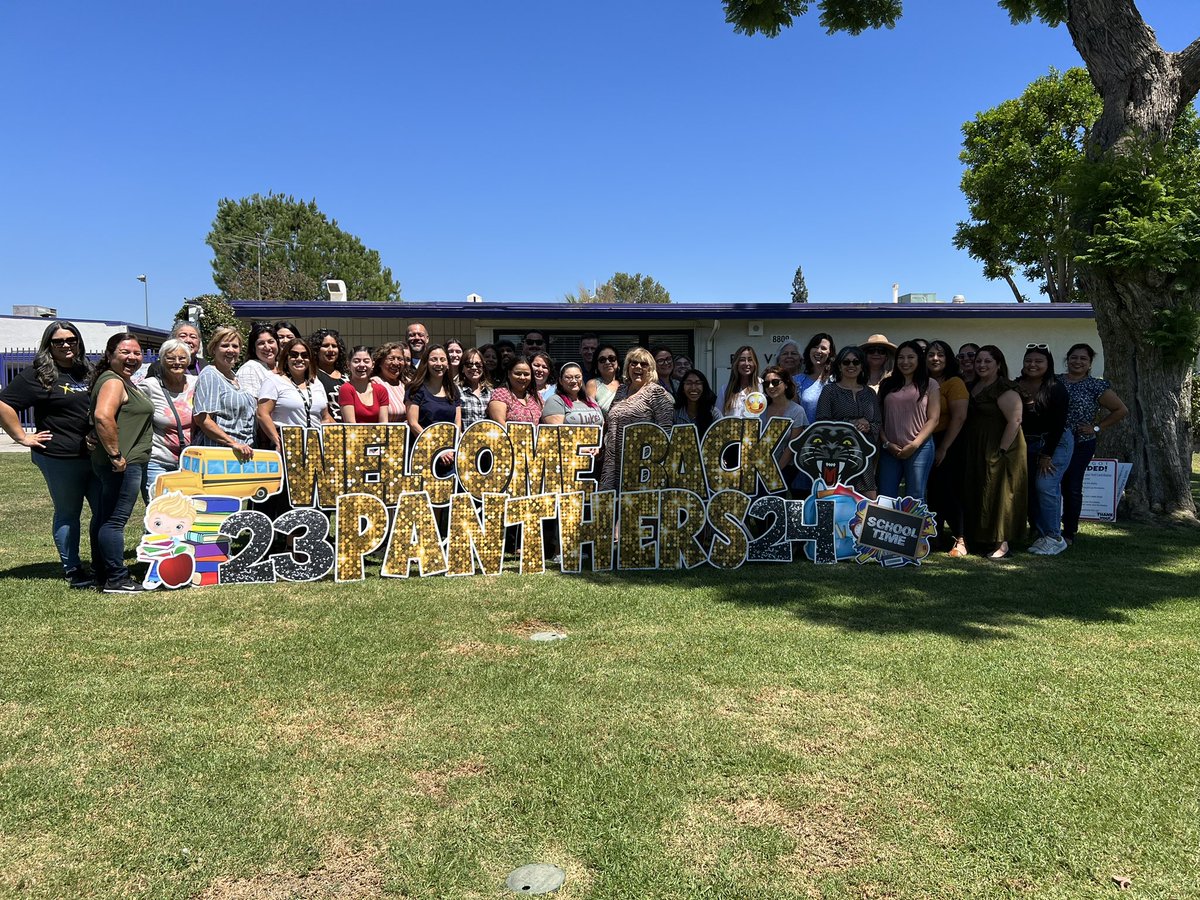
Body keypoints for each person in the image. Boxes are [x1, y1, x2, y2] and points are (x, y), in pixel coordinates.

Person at [0, 320, 99, 588]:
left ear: (79, 342)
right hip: (59, 457)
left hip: (94, 455)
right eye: (59, 342)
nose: (66, 345)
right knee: (69, 513)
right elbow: (4, 404)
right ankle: (74, 569)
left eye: (71, 340)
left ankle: (102, 563)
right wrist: (22, 437)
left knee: (103, 511)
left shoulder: (88, 371)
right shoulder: (38, 374)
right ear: (49, 345)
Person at [89, 333, 154, 593]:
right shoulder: (114, 382)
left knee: (104, 518)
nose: (132, 358)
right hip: (122, 464)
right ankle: (117, 578)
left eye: (137, 353)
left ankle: (101, 572)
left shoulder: (118, 381)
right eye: (125, 352)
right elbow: (103, 416)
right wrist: (116, 455)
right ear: (110, 354)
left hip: (116, 461)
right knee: (114, 521)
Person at [1058, 343, 1128, 546]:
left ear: (1089, 363)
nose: (1077, 361)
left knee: (1072, 486)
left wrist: (1096, 428)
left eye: (1083, 359)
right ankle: (1046, 528)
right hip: (1055, 442)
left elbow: (1121, 410)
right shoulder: (1055, 381)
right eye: (1074, 357)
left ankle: (1069, 531)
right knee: (1050, 486)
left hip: (1081, 443)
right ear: (1067, 359)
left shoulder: (1096, 386)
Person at [962, 345, 1027, 559]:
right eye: (978, 361)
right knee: (982, 491)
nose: (981, 365)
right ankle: (983, 539)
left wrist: (1001, 450)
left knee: (1001, 494)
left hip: (1003, 447)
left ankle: (1002, 544)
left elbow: (1015, 420)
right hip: (978, 446)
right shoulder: (975, 385)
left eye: (987, 361)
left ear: (998, 364)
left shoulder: (1005, 388)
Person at [1017, 344, 1072, 555]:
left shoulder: (1056, 388)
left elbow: (1058, 425)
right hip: (1027, 443)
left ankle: (1054, 536)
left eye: (1039, 361)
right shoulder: (1016, 385)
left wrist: (1047, 454)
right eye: (1029, 360)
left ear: (1048, 364)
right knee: (1031, 488)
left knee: (1045, 486)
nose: (1033, 365)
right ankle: (1041, 534)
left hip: (1055, 442)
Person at [598, 347, 675, 492]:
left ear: (650, 369)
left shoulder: (656, 392)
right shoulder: (622, 390)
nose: (638, 367)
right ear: (628, 367)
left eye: (643, 364)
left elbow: (666, 432)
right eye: (633, 363)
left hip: (643, 464)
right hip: (614, 462)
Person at [815, 347, 881, 499]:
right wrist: (850, 423)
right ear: (839, 366)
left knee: (869, 500)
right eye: (846, 362)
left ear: (862, 365)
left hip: (864, 457)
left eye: (856, 362)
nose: (851, 365)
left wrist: (868, 425)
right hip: (837, 457)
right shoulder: (830, 391)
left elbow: (877, 422)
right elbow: (821, 422)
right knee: (836, 500)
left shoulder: (869, 393)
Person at [877, 341, 940, 500]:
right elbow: (878, 418)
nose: (905, 362)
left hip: (920, 448)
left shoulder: (930, 384)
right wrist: (886, 443)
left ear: (919, 359)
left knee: (915, 497)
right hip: (889, 449)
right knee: (885, 497)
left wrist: (914, 444)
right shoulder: (886, 384)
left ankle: (917, 526)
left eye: (911, 357)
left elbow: (934, 419)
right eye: (901, 358)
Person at [925, 340, 970, 557]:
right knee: (932, 492)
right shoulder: (922, 382)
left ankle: (961, 539)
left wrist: (943, 447)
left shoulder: (954, 382)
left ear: (948, 358)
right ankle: (934, 537)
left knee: (949, 492)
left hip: (949, 441)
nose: (935, 358)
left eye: (940, 354)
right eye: (931, 354)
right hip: (926, 440)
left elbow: (959, 417)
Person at [140, 338, 197, 498]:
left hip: (191, 463)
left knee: (188, 512)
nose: (177, 362)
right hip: (158, 461)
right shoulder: (149, 386)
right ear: (162, 360)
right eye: (170, 358)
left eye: (182, 358)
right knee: (159, 512)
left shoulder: (197, 383)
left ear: (189, 360)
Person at [257, 338, 334, 450]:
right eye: (294, 355)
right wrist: (277, 441)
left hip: (316, 445)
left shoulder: (316, 383)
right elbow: (262, 414)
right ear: (286, 358)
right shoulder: (274, 381)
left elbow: (325, 416)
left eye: (304, 355)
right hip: (288, 444)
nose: (299, 359)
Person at [192, 326, 256, 460]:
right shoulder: (210, 375)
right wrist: (233, 443)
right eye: (225, 345)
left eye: (235, 346)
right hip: (219, 455)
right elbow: (203, 420)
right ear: (214, 349)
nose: (231, 350)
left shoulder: (236, 377)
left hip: (242, 453)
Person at [761, 365, 808, 490]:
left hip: (783, 470)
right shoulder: (759, 410)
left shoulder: (797, 411)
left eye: (775, 382)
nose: (770, 387)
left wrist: (774, 473)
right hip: (757, 469)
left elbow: (791, 448)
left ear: (786, 384)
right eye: (766, 384)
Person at [406, 345, 462, 440]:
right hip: (423, 448)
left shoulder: (453, 389)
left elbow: (458, 423)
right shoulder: (415, 389)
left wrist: (451, 446)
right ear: (426, 363)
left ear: (448, 364)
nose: (439, 363)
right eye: (434, 359)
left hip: (449, 448)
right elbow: (413, 423)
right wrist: (436, 447)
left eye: (442, 359)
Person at [338, 347, 391, 424]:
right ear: (348, 365)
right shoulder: (346, 389)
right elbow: (350, 423)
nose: (362, 365)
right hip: (353, 435)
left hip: (378, 435)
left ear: (373, 364)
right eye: (356, 361)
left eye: (366, 361)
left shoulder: (381, 390)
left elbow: (384, 423)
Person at [542, 363, 604, 427]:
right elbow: (557, 432)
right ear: (560, 381)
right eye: (568, 377)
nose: (574, 381)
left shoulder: (590, 400)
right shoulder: (555, 401)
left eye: (577, 377)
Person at [488, 355, 543, 425]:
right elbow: (499, 424)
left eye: (526, 374)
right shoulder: (501, 394)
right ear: (509, 374)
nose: (522, 377)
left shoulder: (536, 397)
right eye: (518, 373)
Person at [795, 332, 835, 422]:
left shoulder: (836, 380)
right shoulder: (797, 381)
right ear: (809, 350)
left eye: (823, 348)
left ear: (830, 353)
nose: (818, 351)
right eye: (815, 347)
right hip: (806, 434)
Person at [311, 328, 348, 422]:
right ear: (316, 349)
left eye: (334, 346)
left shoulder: (347, 374)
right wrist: (336, 427)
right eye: (325, 345)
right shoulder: (312, 375)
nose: (331, 349)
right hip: (330, 430)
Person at [235, 322, 280, 400]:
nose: (267, 347)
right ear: (253, 348)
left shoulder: (283, 366)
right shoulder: (250, 369)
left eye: (270, 342)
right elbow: (251, 406)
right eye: (261, 343)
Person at [719, 346, 762, 419]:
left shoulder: (762, 386)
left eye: (750, 359)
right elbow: (718, 417)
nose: (746, 363)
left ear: (755, 363)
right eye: (742, 360)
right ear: (736, 364)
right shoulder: (725, 389)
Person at [456, 348, 493, 429]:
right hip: (464, 439)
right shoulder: (456, 391)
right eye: (469, 364)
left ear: (483, 367)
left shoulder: (491, 392)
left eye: (478, 364)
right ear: (462, 368)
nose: (474, 368)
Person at [371, 342, 409, 421]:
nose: (396, 363)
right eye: (391, 359)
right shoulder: (374, 383)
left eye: (400, 359)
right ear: (380, 363)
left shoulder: (407, 383)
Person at [673, 369, 717, 436]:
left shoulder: (713, 412)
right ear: (682, 388)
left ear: (704, 387)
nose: (693, 388)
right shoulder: (674, 413)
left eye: (698, 383)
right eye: (689, 383)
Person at [587, 345, 622, 415]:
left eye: (612, 358)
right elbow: (589, 412)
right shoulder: (593, 384)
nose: (607, 362)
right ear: (597, 365)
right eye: (602, 360)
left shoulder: (625, 384)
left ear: (618, 362)